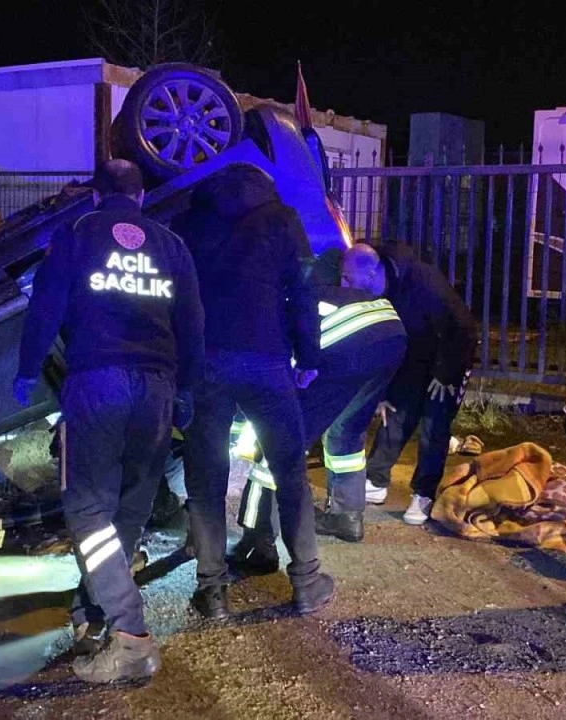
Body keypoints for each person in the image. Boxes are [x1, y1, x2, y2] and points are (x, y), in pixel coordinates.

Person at [14, 159, 204, 684]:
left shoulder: (77, 231)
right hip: (157, 386)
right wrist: (187, 388)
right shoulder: (171, 244)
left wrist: (28, 369)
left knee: (86, 506)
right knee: (131, 505)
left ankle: (130, 633)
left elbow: (46, 306)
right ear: (140, 197)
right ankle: (92, 608)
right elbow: (192, 322)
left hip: (98, 381)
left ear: (95, 196)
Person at [170, 163, 332, 620]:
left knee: (206, 479)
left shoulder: (188, 221)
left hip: (206, 361)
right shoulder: (281, 219)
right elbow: (302, 292)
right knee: (290, 471)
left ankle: (212, 590)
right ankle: (306, 582)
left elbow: (173, 297)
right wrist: (309, 357)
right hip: (267, 359)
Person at [231, 283, 407, 571]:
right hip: (390, 332)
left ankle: (258, 541)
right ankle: (347, 517)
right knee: (347, 431)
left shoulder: (251, 323)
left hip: (345, 341)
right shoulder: (279, 296)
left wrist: (246, 430)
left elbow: (267, 384)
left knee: (279, 445)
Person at [339, 242, 478, 525]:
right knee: (394, 411)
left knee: (434, 423)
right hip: (414, 356)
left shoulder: (423, 282)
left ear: (370, 274)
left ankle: (424, 493)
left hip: (449, 355)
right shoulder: (374, 294)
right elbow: (379, 344)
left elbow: (463, 328)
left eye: (348, 279)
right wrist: (382, 390)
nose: (344, 286)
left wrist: (447, 373)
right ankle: (376, 480)